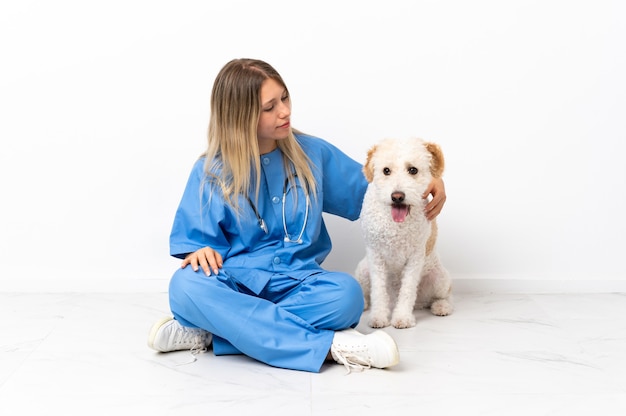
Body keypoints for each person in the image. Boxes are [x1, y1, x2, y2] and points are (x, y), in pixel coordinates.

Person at [147, 58, 447, 373]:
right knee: (185, 287)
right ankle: (332, 347)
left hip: (300, 283)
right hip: (234, 282)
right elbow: (195, 240)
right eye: (269, 107)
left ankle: (212, 331)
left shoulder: (313, 153)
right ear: (240, 116)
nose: (285, 111)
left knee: (347, 297)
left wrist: (427, 179)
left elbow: (376, 189)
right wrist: (199, 249)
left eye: (285, 98)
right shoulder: (210, 170)